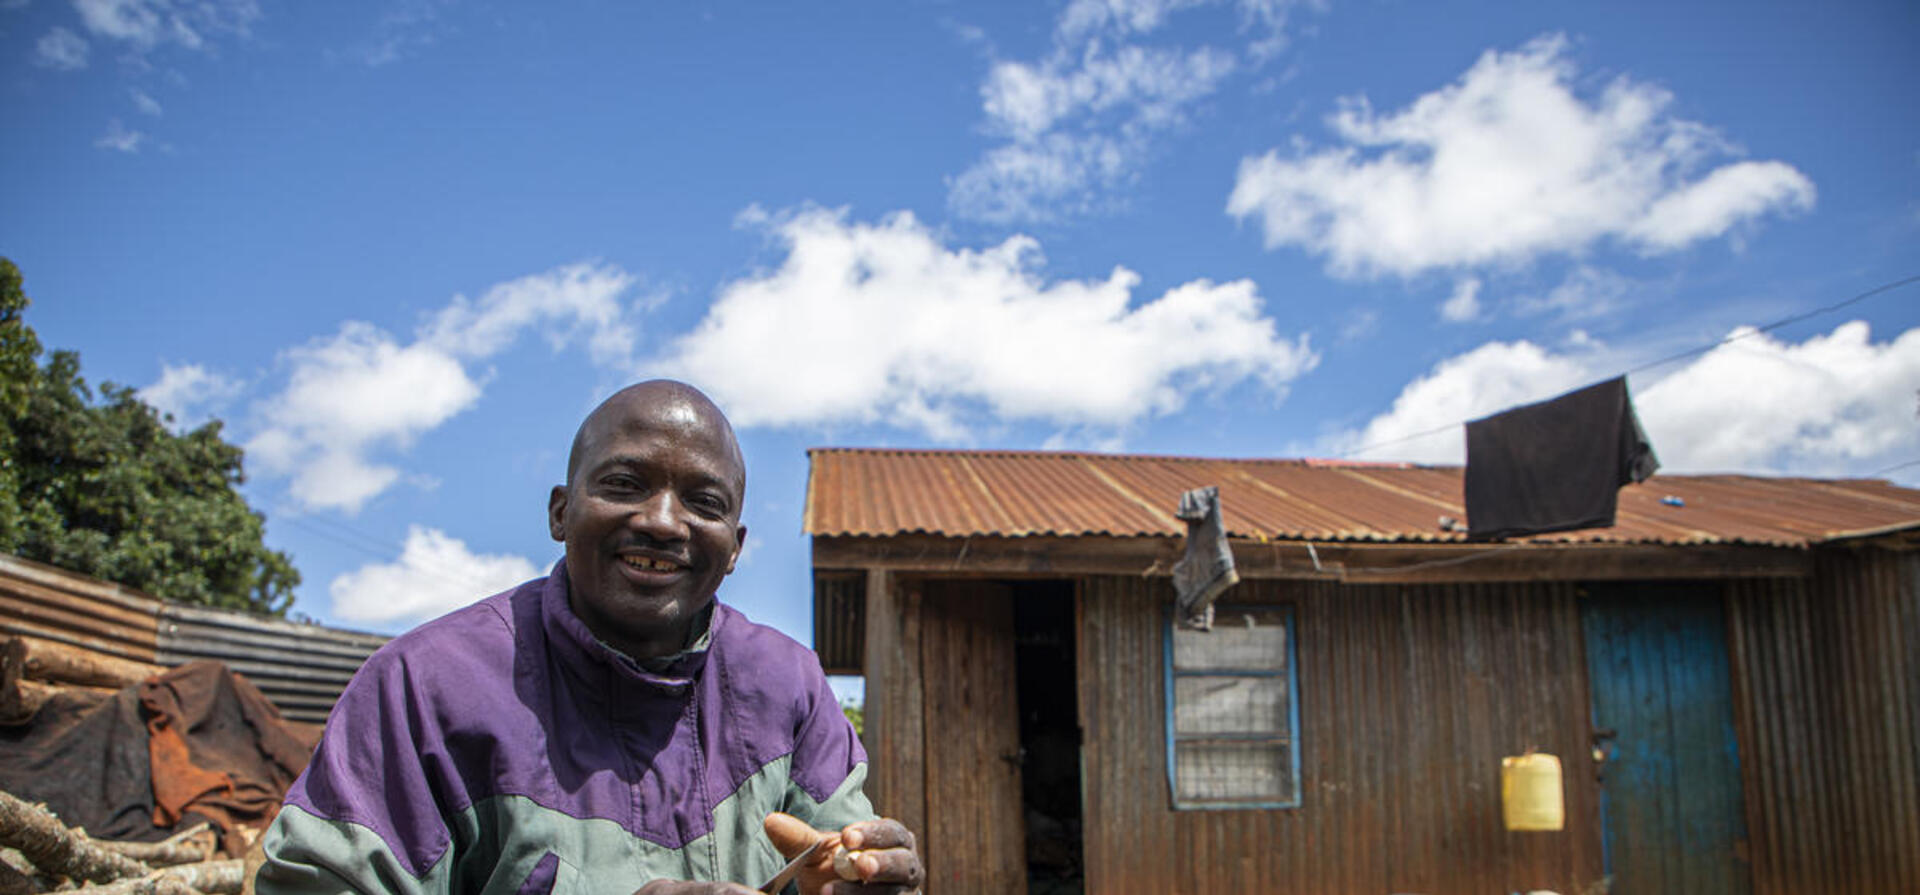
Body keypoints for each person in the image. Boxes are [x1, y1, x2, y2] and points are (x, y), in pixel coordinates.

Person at [257, 381, 925, 895]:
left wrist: (858, 873)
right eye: (625, 484)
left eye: (704, 502)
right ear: (560, 510)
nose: (665, 521)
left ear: (734, 549)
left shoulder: (788, 686)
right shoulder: (423, 689)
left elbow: (835, 852)